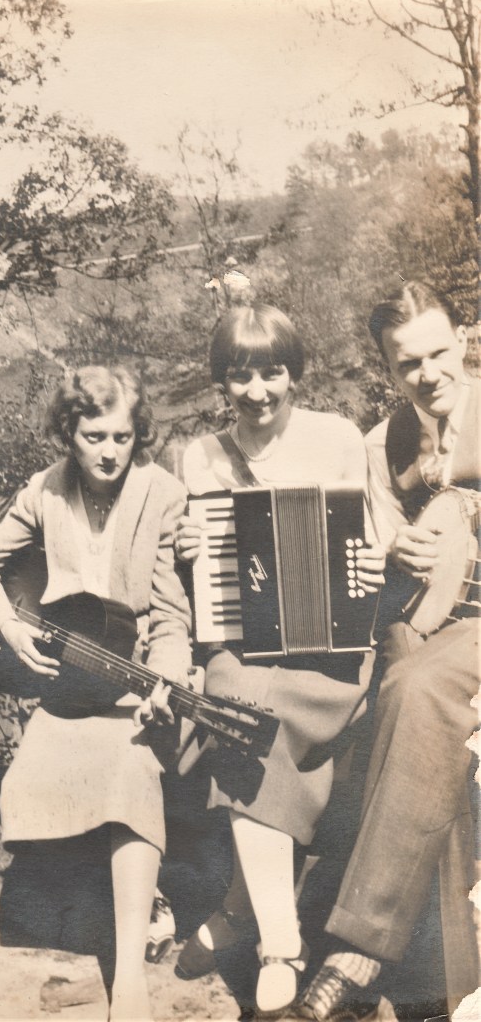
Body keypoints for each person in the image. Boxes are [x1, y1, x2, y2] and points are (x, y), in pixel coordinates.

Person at [0, 365, 193, 1021]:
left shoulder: (161, 494)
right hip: (68, 688)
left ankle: (132, 982)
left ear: (137, 434)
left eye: (122, 436)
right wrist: (7, 623)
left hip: (135, 683)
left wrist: (165, 681)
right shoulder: (44, 490)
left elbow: (171, 619)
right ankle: (115, 917)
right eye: (94, 436)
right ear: (69, 432)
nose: (109, 451)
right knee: (37, 779)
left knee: (128, 772)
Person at [174, 303, 385, 1015]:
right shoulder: (200, 456)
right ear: (221, 381)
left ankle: (240, 913)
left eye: (272, 373)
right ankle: (280, 943)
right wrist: (191, 552)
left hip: (330, 648)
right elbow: (202, 570)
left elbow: (367, 541)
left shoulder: (336, 437)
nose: (258, 391)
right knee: (237, 708)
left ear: (294, 373)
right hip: (241, 643)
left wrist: (368, 562)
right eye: (240, 376)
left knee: (254, 715)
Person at [290, 281, 480, 1021]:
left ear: (463, 338)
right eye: (408, 364)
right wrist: (390, 556)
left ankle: (358, 947)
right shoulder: (383, 445)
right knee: (405, 689)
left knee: (415, 693)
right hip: (430, 626)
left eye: (437, 353)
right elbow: (374, 566)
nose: (428, 374)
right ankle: (433, 995)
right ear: (388, 369)